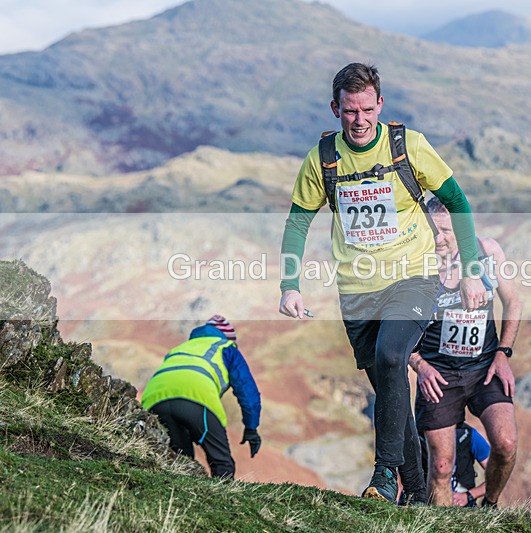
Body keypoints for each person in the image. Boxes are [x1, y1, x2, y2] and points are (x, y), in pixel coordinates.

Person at [278, 63, 487, 504]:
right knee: (391, 391)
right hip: (357, 293)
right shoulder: (324, 159)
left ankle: (383, 475)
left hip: (412, 277)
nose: (359, 120)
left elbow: (457, 201)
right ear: (335, 108)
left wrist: (471, 270)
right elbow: (298, 222)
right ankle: (415, 494)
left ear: (381, 105)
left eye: (367, 110)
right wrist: (289, 285)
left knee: (393, 354)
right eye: (350, 111)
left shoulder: (407, 146)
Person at [409, 197, 521, 507]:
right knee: (442, 467)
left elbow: (513, 301)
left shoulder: (487, 251)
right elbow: (394, 332)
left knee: (506, 443)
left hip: (485, 367)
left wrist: (503, 354)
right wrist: (420, 365)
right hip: (438, 376)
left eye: (445, 230)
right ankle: (441, 527)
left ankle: (490, 506)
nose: (437, 238)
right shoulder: (415, 264)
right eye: (432, 229)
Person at [141, 315, 262, 478]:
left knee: (180, 461)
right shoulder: (227, 347)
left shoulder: (180, 348)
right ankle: (221, 502)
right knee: (222, 463)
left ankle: (173, 500)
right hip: (197, 397)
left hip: (154, 399)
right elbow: (248, 393)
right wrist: (251, 428)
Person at [405, 422, 490, 507]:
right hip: (424, 504)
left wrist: (469, 496)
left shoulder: (468, 434)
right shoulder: (416, 434)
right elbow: (401, 475)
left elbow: (497, 475)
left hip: (465, 507)